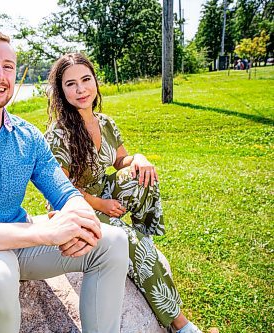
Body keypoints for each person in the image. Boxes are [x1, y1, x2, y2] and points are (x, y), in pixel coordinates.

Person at [0, 31, 129, 333]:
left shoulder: (27, 136)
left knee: (114, 242)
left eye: (8, 66)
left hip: (22, 247)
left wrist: (78, 219)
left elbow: (66, 193)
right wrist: (42, 232)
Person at [44, 53, 202, 333]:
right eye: (71, 84)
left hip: (101, 192)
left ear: (95, 82)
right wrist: (100, 205)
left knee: (144, 177)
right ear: (61, 90)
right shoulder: (58, 133)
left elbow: (120, 162)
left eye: (85, 80)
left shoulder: (105, 123)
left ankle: (144, 242)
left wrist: (139, 157)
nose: (81, 89)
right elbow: (59, 190)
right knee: (131, 241)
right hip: (75, 207)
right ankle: (182, 326)